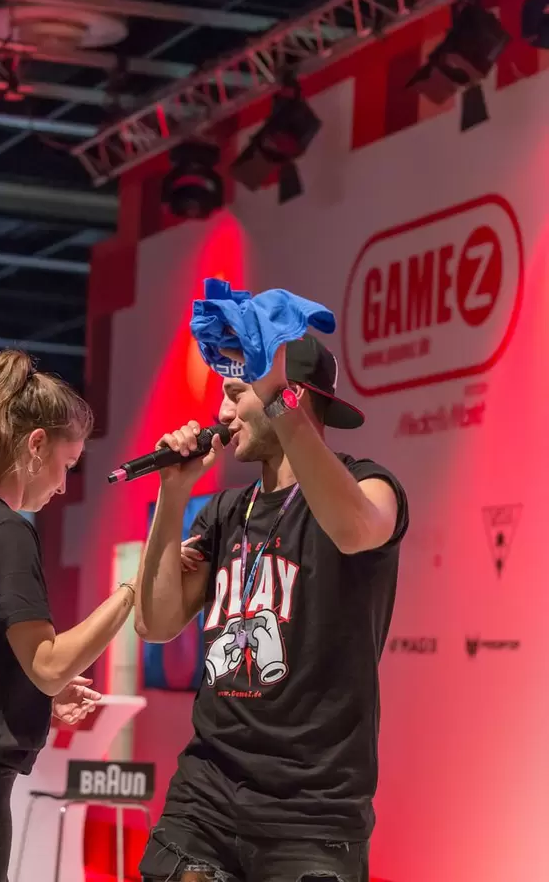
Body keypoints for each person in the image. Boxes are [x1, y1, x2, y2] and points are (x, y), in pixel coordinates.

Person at [135, 333, 409, 882]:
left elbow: (357, 530)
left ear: (291, 395)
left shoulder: (369, 486)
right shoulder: (227, 511)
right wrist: (172, 492)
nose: (221, 411)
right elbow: (155, 622)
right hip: (205, 796)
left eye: (238, 393)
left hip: (312, 809)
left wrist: (280, 402)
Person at [0, 349, 138, 882]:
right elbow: (50, 665)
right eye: (66, 466)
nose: (61, 487)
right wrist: (132, 588)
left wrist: (29, 698)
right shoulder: (4, 530)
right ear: (36, 445)